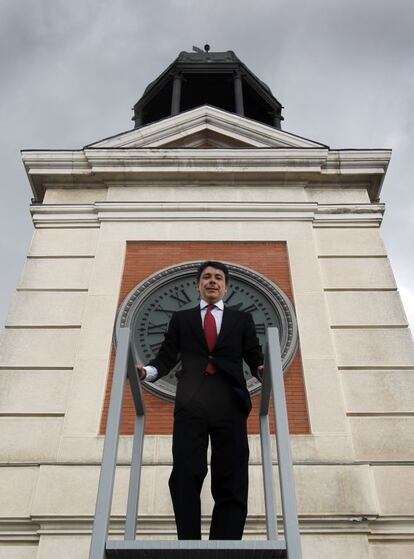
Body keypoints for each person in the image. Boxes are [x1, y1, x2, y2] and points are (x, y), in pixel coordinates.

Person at [137, 261, 263, 540]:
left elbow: (254, 356)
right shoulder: (182, 319)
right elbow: (167, 356)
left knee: (231, 473)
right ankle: (189, 543)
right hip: (191, 403)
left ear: (226, 286)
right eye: (206, 277)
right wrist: (147, 372)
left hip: (229, 402)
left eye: (218, 278)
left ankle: (226, 543)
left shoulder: (241, 320)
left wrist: (263, 371)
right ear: (198, 285)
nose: (212, 281)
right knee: (185, 470)